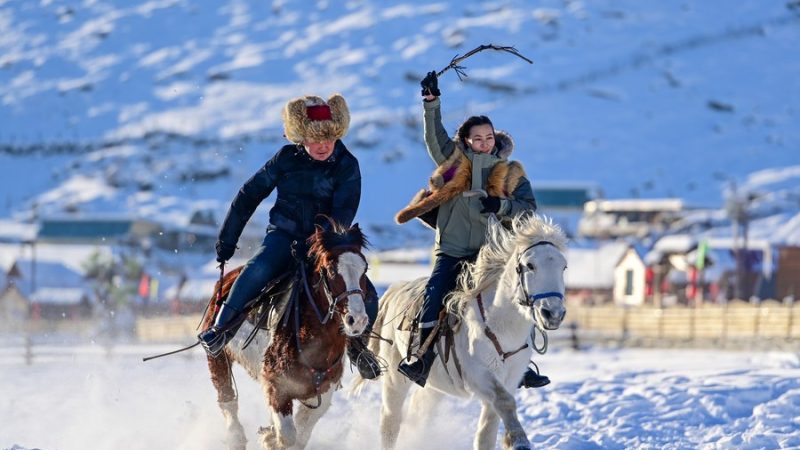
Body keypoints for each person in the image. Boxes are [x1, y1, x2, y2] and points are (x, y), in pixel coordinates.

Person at [198, 93, 381, 380]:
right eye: (315, 140)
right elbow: (249, 195)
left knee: (366, 293)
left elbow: (343, 211)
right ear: (301, 139)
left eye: (329, 140)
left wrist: (321, 244)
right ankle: (221, 330)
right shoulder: (285, 159)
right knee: (257, 269)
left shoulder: (347, 164)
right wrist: (227, 241)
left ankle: (358, 349)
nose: (323, 146)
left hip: (324, 243)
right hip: (282, 237)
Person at [395, 71, 550, 388]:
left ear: (496, 140)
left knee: (517, 298)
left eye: (489, 137)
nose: (484, 143)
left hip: (491, 257)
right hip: (451, 250)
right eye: (477, 138)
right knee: (434, 295)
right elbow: (433, 137)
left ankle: (524, 364)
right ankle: (422, 358)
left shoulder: (509, 171)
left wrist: (501, 207)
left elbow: (529, 207)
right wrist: (431, 102)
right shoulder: (452, 164)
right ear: (466, 141)